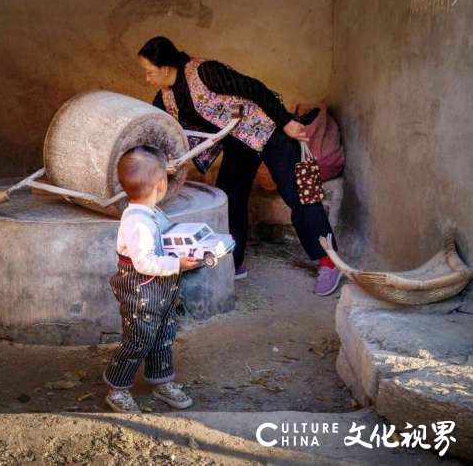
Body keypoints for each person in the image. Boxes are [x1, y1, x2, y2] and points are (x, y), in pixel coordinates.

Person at [137, 36, 342, 296]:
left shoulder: (205, 72)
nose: (147, 78)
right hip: (240, 143)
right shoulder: (165, 98)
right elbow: (160, 128)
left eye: (149, 72)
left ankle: (329, 261)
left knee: (299, 194)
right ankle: (235, 261)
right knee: (230, 197)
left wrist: (287, 122)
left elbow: (254, 89)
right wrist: (158, 161)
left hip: (270, 132)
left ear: (165, 68)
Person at [103, 146, 197, 413]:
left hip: (162, 292)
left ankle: (161, 380)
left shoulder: (150, 212)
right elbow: (144, 262)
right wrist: (177, 263)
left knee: (163, 334)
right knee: (138, 338)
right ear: (161, 184)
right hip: (141, 294)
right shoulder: (137, 223)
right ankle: (118, 388)